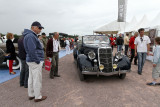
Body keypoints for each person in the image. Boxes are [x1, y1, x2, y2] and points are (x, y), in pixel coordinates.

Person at [23, 21, 47, 102]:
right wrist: (37, 60)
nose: (40, 30)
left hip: (31, 60)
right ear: (34, 27)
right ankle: (38, 96)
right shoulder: (30, 36)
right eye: (39, 28)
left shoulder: (30, 35)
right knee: (37, 79)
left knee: (31, 78)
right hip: (35, 61)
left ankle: (31, 94)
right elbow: (32, 50)